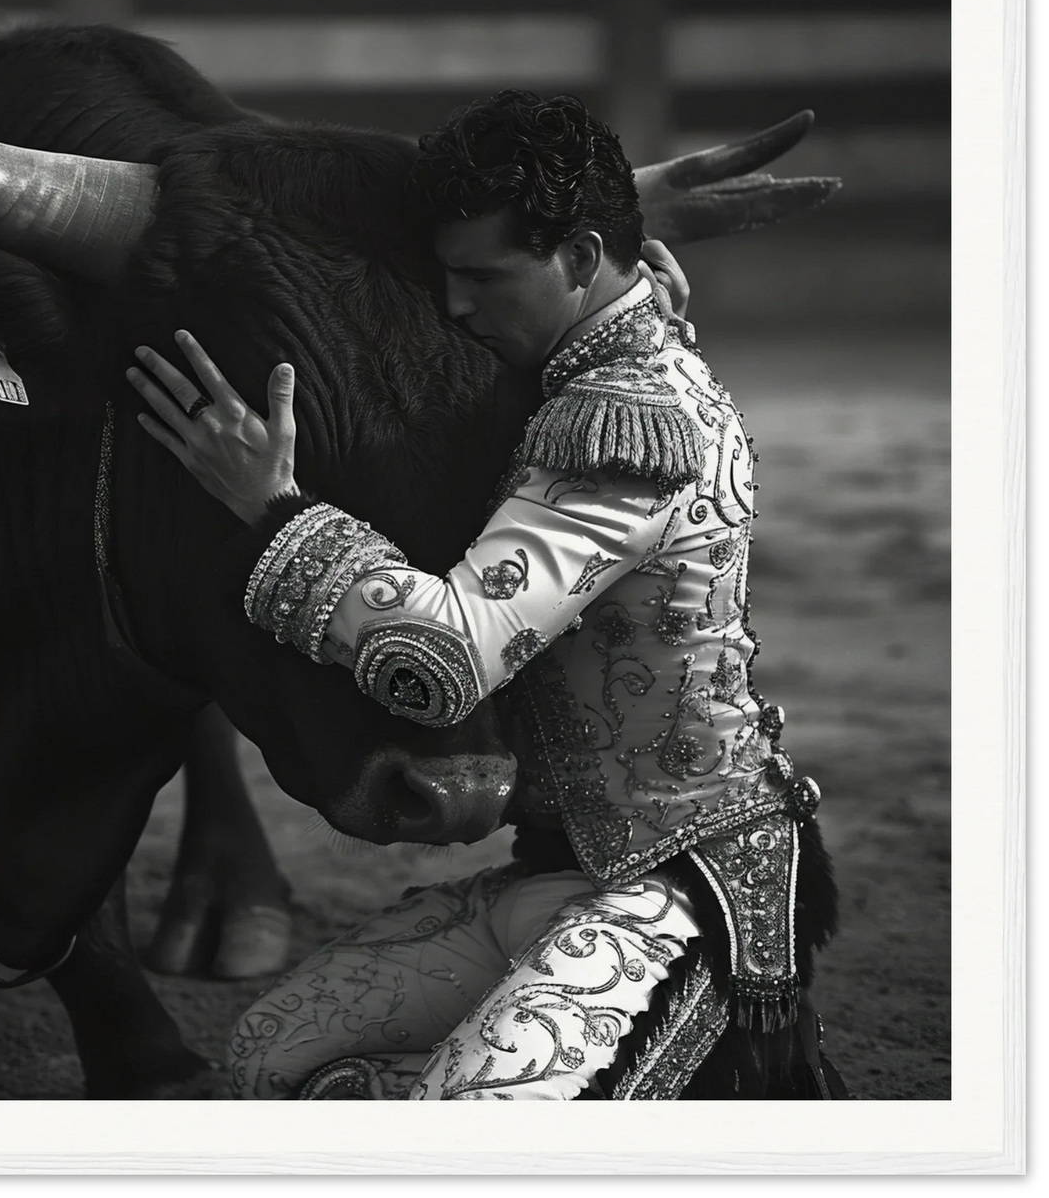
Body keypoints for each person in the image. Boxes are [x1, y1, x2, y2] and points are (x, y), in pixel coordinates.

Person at [124, 90, 843, 1101]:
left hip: (682, 888)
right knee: (268, 1052)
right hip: (554, 872)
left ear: (582, 257)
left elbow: (449, 661)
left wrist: (272, 505)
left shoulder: (621, 423)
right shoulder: (595, 352)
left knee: (459, 1119)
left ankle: (686, 1061)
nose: (456, 307)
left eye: (481, 278)